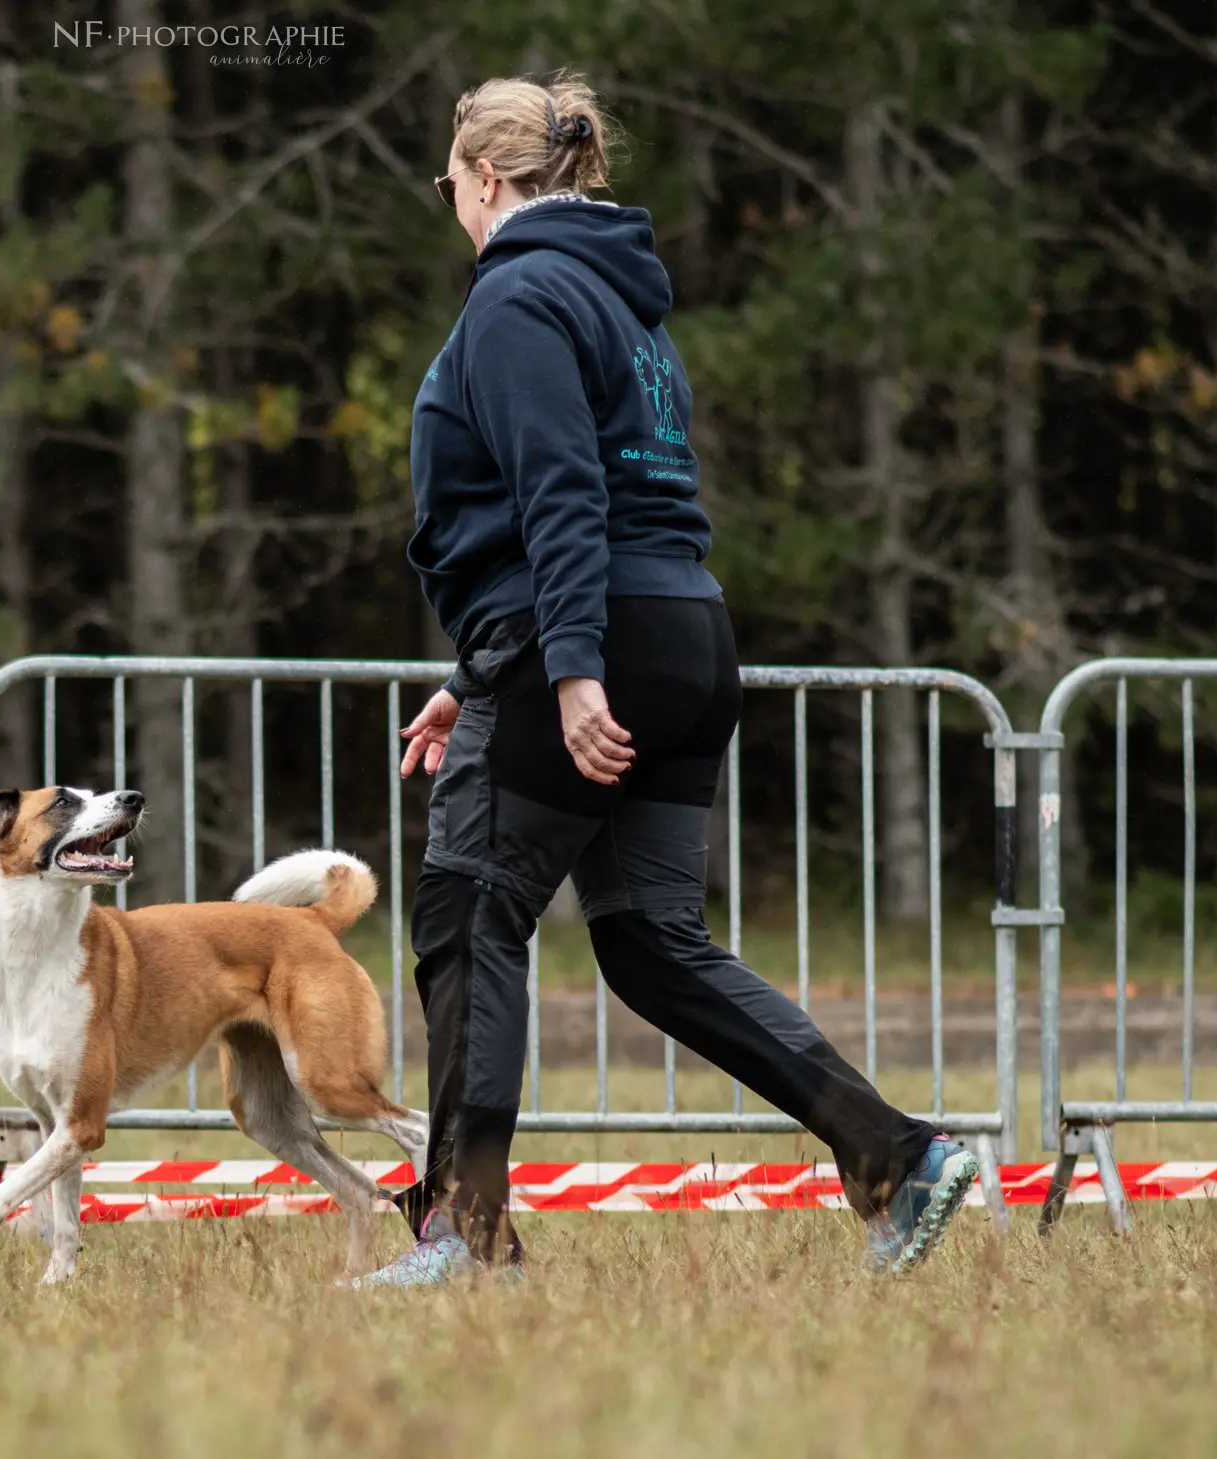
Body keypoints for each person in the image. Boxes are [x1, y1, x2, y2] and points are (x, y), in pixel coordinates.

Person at [354, 73, 979, 1287]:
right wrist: (476, 668)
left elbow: (559, 497)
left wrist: (566, 674)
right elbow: (593, 505)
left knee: (470, 911)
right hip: (683, 631)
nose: (450, 202)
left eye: (447, 184)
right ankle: (891, 1158)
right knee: (645, 938)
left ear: (483, 179)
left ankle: (463, 1235)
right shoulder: (626, 311)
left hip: (587, 641)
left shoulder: (517, 297)